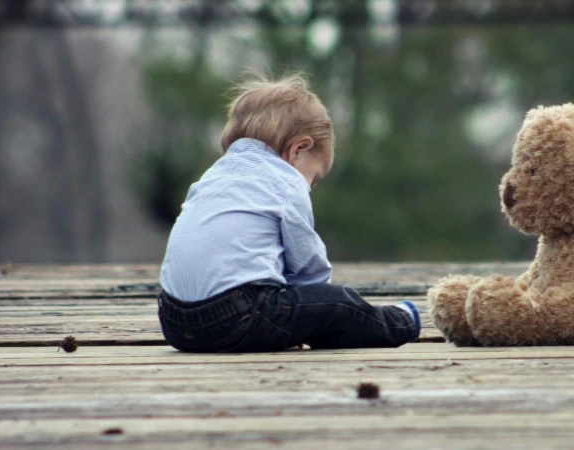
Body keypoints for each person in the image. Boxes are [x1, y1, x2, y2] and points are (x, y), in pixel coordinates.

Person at [157, 73, 420, 352]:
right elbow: (308, 265)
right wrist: (316, 308)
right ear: (299, 149)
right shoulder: (285, 181)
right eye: (314, 178)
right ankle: (400, 320)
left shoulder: (212, 176)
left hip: (174, 321)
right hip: (236, 318)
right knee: (340, 303)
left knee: (296, 307)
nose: (310, 187)